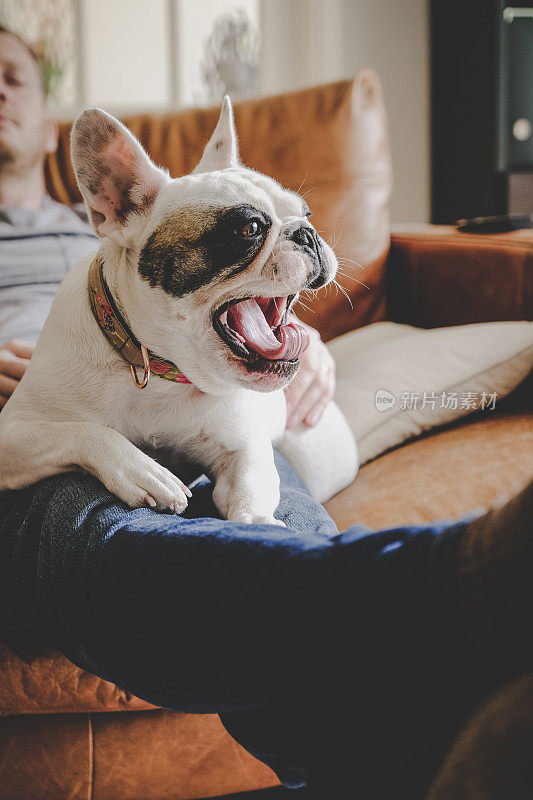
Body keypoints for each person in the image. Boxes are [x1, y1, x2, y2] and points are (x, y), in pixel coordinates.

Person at [0, 25, 531, 798]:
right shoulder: (125, 228)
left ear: (51, 127)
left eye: (11, 75)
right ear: (109, 202)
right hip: (38, 437)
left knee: (266, 512)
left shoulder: (135, 223)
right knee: (91, 536)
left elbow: (220, 288)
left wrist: (293, 340)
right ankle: (449, 582)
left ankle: (419, 762)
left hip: (200, 395)